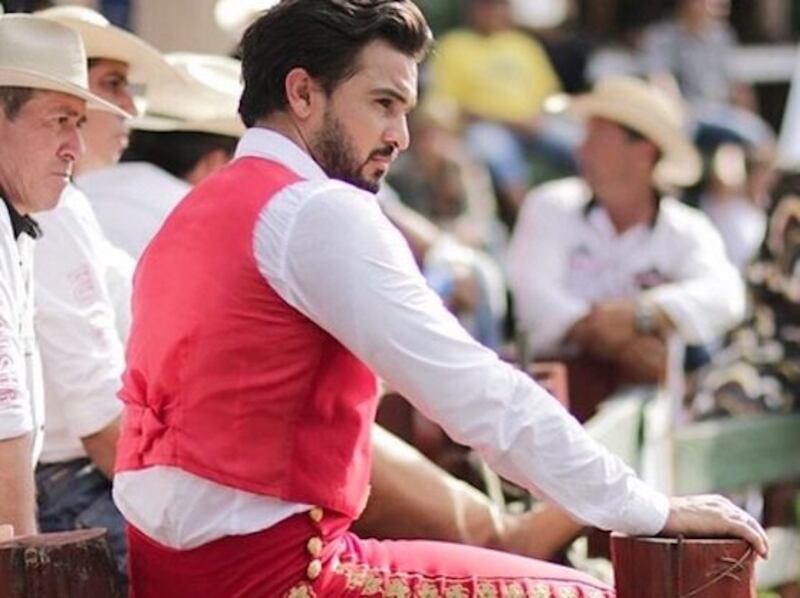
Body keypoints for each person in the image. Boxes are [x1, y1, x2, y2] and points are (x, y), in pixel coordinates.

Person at [114, 3, 767, 596]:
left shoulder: (195, 210)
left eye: (406, 109)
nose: (401, 134)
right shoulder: (317, 210)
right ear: (303, 93)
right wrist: (648, 508)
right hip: (280, 577)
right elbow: (475, 392)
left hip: (175, 574)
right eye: (383, 103)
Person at [28, 5, 170, 581]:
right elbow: (99, 416)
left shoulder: (67, 204)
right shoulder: (54, 209)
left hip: (80, 477)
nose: (129, 107)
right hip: (78, 485)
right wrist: (174, 515)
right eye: (110, 85)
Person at [507, 77, 746, 414]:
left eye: (598, 137)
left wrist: (641, 314)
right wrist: (616, 340)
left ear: (643, 152)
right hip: (554, 404)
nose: (581, 149)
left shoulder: (686, 229)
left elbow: (726, 296)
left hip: (650, 409)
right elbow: (533, 299)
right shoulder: (550, 206)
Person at [0, 13, 125, 537]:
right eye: (59, 120)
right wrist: (24, 563)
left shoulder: (20, 216)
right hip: (62, 485)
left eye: (79, 122)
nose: (76, 146)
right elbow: (5, 425)